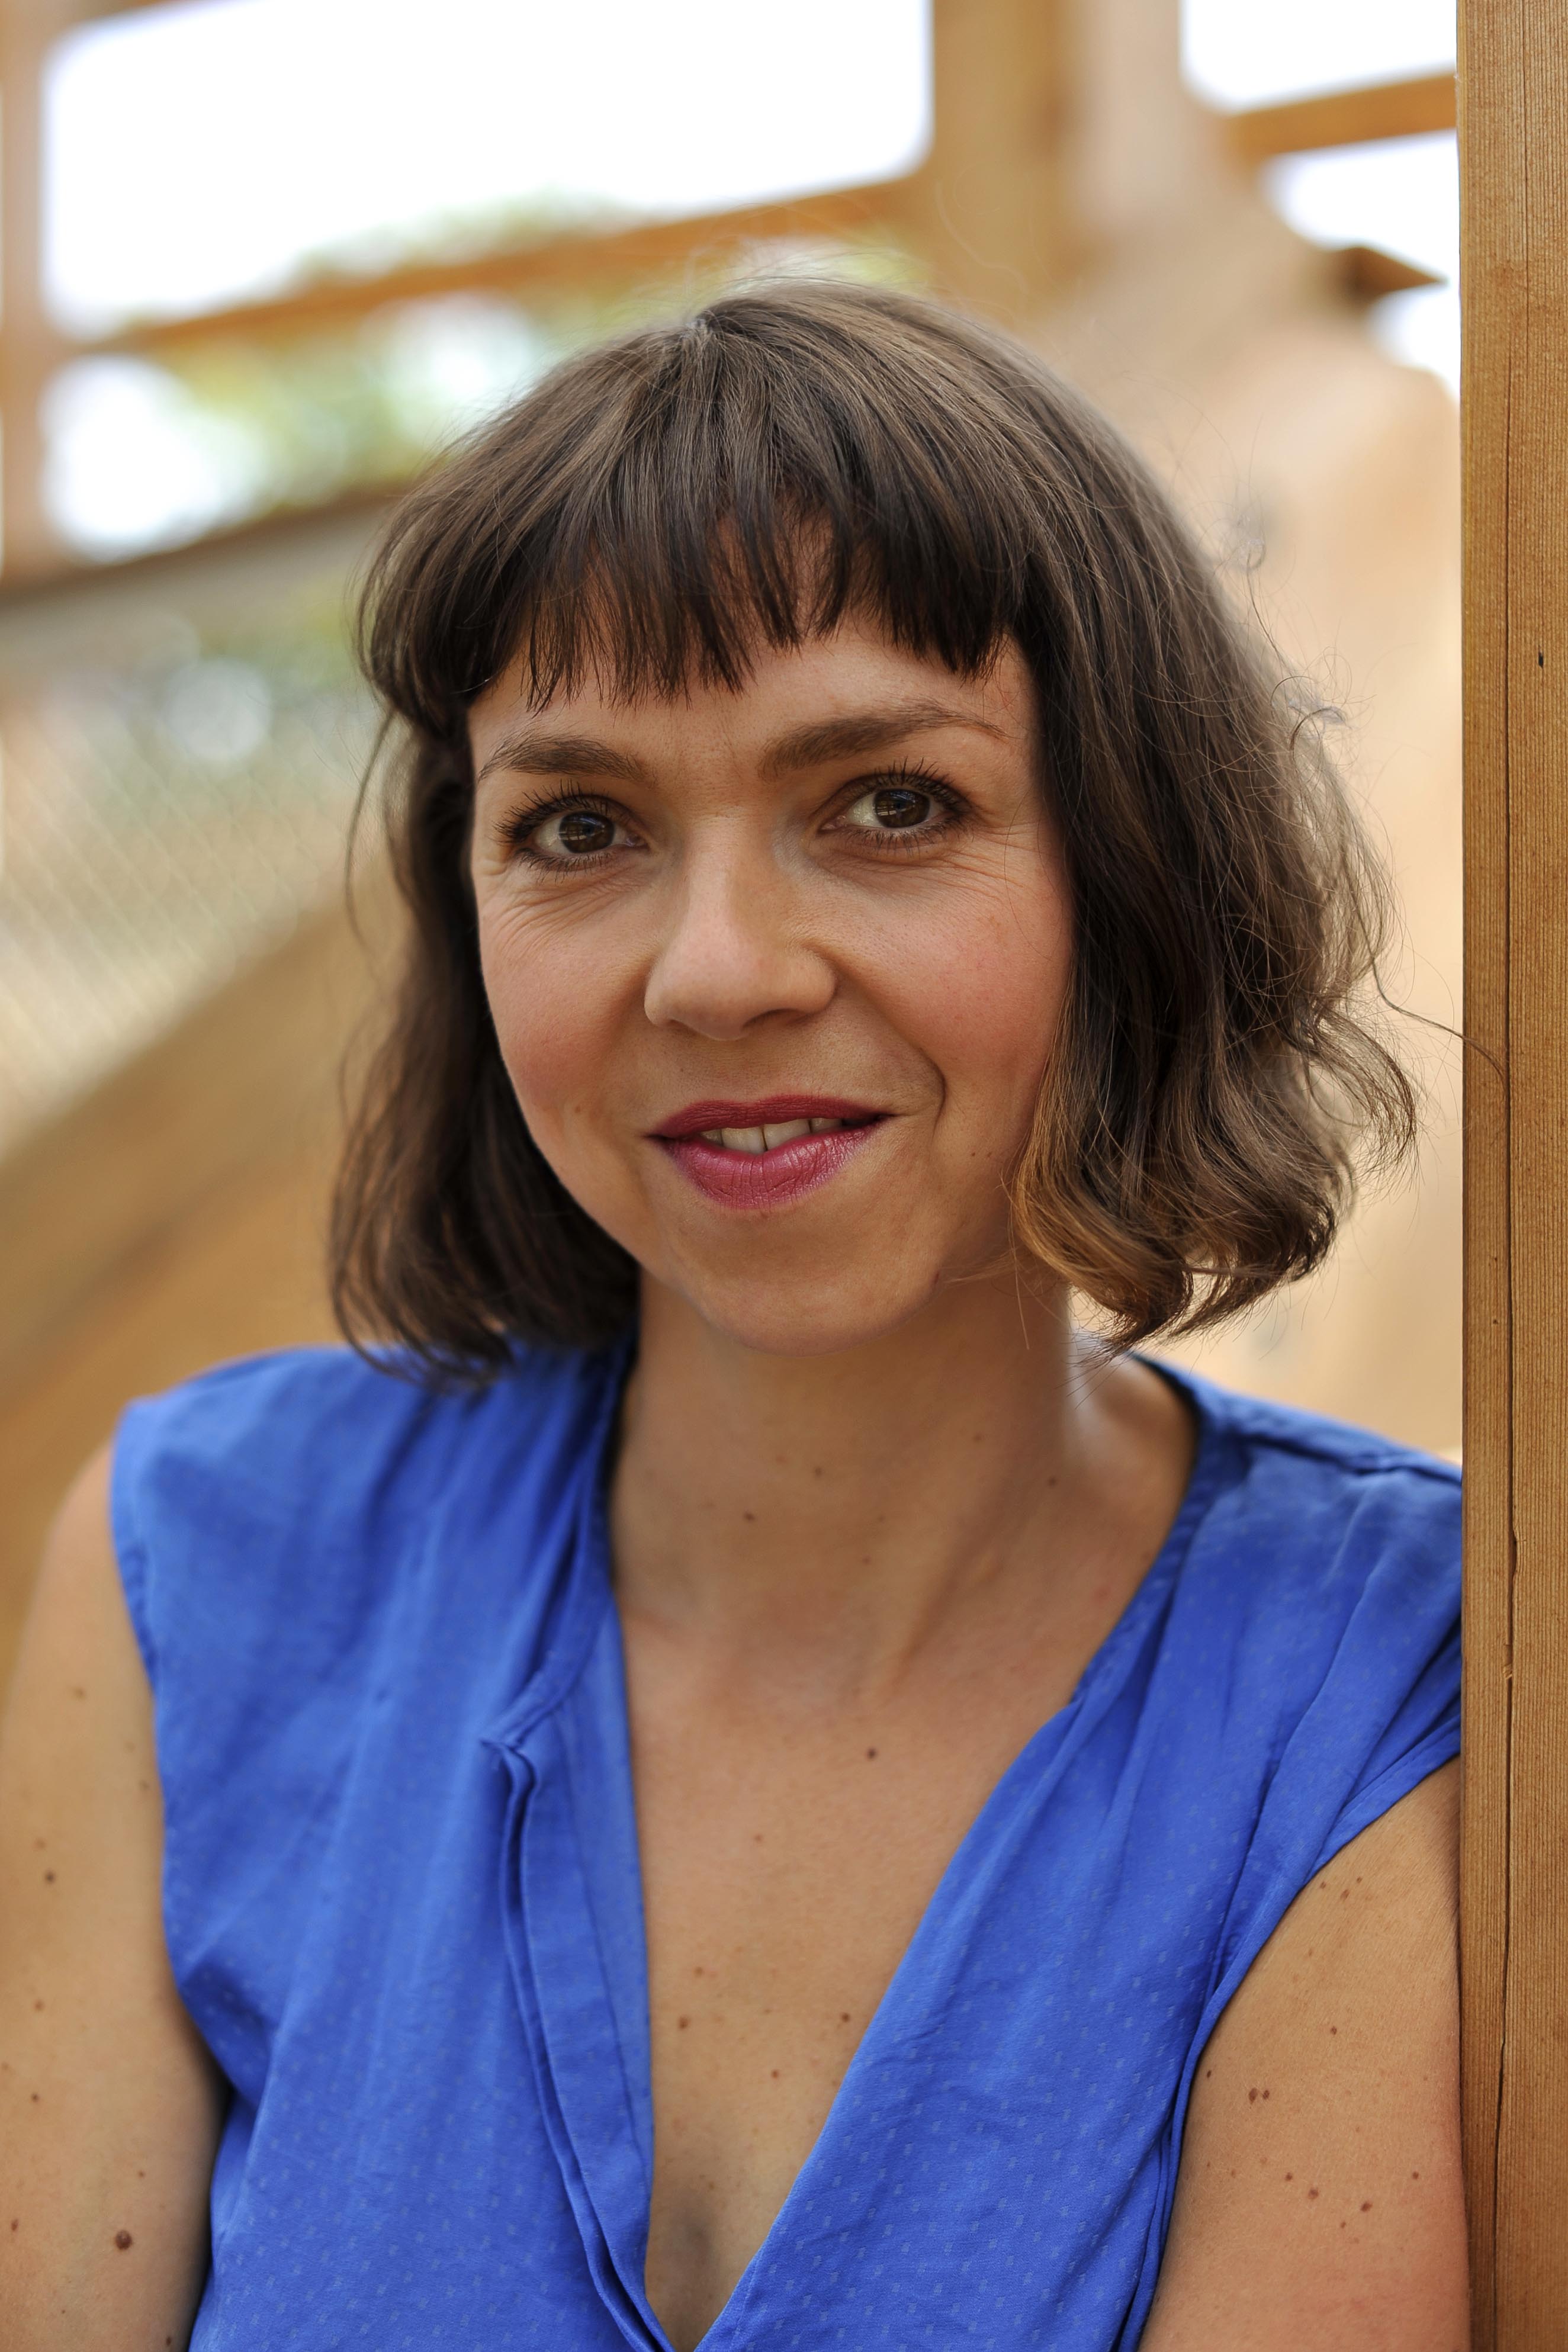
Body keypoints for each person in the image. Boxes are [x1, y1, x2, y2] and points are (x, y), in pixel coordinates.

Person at [0, 282, 1464, 2352]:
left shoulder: (1389, 1658)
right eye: (579, 827)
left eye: (889, 801)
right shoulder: (197, 1563)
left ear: (1132, 860)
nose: (716, 970)